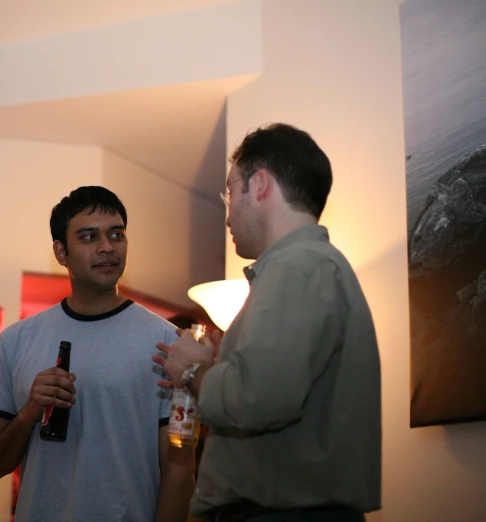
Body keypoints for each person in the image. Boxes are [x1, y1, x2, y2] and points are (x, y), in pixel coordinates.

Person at [155, 123, 381, 521]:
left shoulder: (299, 267)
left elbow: (256, 398)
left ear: (259, 185)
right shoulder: (308, 267)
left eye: (230, 192)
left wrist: (191, 370)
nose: (227, 216)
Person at [0, 186, 194, 522]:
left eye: (116, 234)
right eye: (89, 237)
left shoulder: (166, 342)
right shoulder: (17, 340)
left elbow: (179, 469)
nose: (107, 247)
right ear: (61, 252)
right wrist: (29, 412)